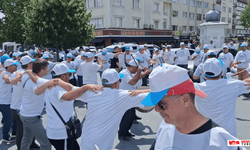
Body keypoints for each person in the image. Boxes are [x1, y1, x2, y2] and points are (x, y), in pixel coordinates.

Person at [140, 64, 245, 150]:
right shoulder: (165, 127)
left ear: (185, 100)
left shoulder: (221, 142)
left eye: (161, 104)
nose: (156, 109)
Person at [59, 68, 150, 150]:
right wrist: (145, 90)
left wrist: (85, 86)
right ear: (117, 83)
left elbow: (69, 87)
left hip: (86, 141)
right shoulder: (123, 96)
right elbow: (152, 98)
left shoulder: (91, 92)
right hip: (103, 145)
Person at [194, 58, 250, 137]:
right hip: (229, 136)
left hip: (206, 135)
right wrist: (247, 72)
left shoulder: (195, 88)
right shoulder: (234, 85)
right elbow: (248, 82)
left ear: (203, 72)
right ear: (221, 72)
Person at [19, 58, 57, 150]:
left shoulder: (27, 76)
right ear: (41, 70)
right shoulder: (33, 82)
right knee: (46, 143)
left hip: (25, 114)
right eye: (47, 68)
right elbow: (37, 91)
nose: (48, 70)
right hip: (31, 117)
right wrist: (48, 83)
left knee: (26, 139)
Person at [10, 56, 39, 149]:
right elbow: (16, 79)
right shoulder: (22, 74)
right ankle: (20, 147)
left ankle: (31, 144)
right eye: (32, 63)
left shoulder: (16, 73)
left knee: (30, 128)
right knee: (22, 131)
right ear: (29, 64)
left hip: (19, 106)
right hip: (19, 107)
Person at [118, 60, 150, 141]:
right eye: (136, 68)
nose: (137, 69)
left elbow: (137, 78)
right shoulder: (123, 72)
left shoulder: (129, 73)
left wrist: (143, 73)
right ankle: (122, 133)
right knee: (126, 117)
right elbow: (132, 82)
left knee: (131, 117)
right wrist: (139, 72)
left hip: (130, 97)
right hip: (124, 98)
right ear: (131, 67)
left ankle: (126, 132)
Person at [0, 59, 19, 142]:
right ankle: (6, 137)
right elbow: (7, 80)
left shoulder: (9, 74)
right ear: (10, 66)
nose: (16, 66)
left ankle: (14, 132)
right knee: (8, 120)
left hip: (7, 101)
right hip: (5, 102)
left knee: (13, 119)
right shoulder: (5, 75)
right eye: (14, 65)